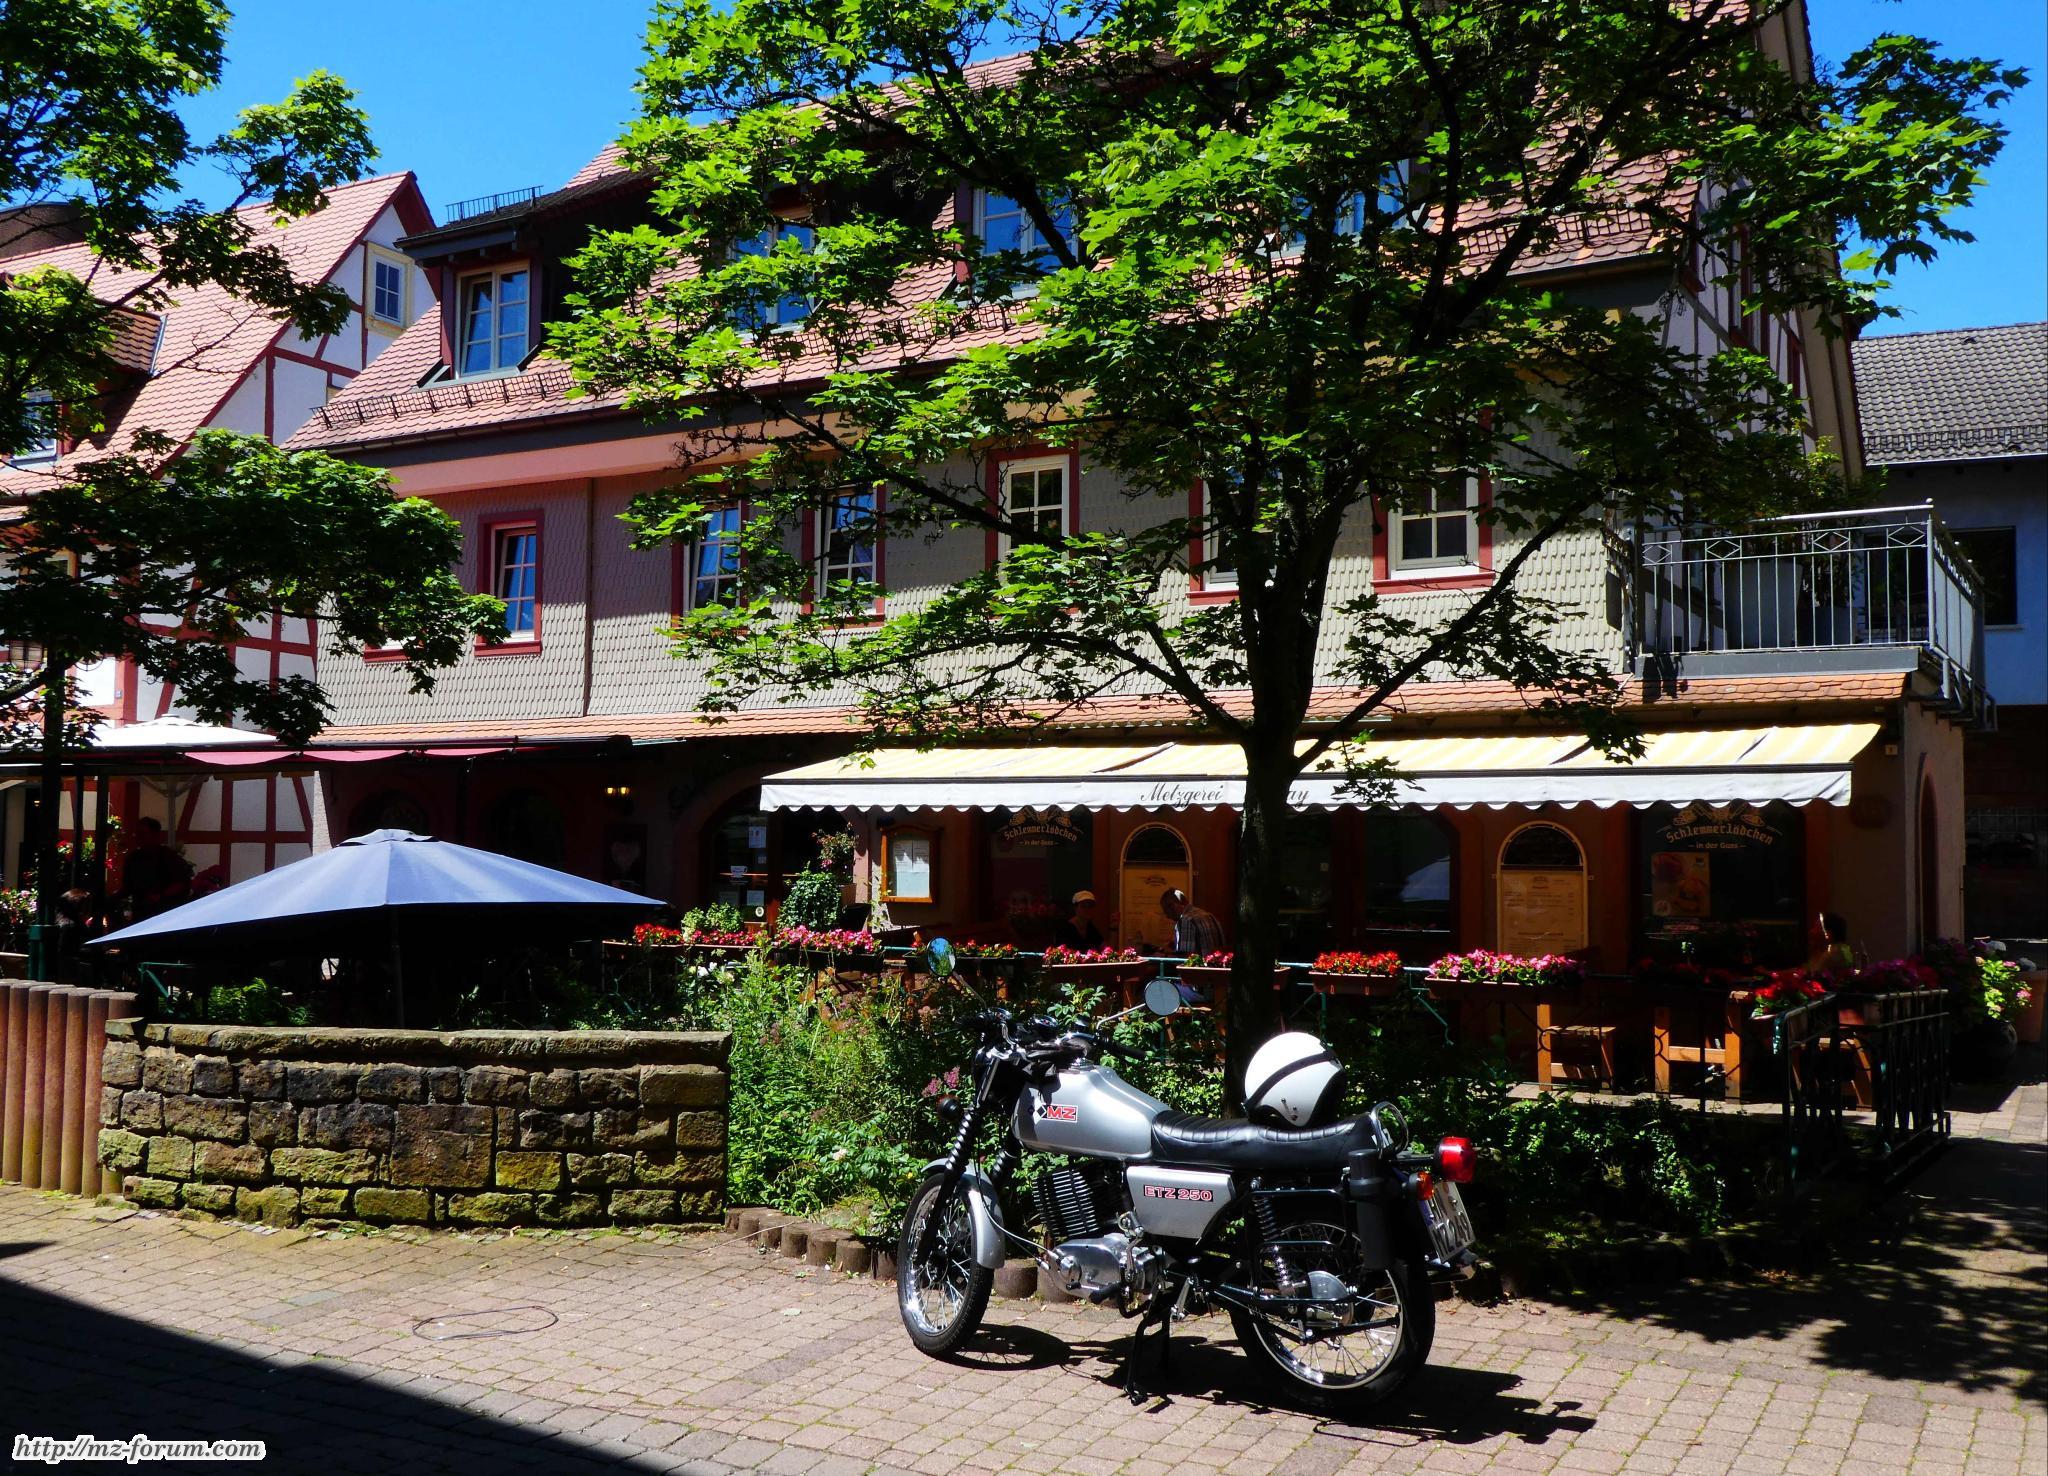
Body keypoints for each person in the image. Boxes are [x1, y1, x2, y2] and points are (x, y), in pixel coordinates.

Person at [120, 817, 193, 921]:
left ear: (155, 835)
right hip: (141, 912)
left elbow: (181, 883)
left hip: (164, 912)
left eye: (143, 834)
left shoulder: (168, 857)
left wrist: (160, 896)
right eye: (138, 834)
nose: (139, 837)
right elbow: (127, 887)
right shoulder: (133, 858)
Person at [1161, 887, 1225, 958]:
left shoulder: (1186, 920)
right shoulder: (1210, 916)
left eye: (1166, 911)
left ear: (1173, 906)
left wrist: (1162, 956)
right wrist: (1177, 944)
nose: (1167, 916)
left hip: (1199, 965)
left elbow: (1185, 959)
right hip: (1216, 963)